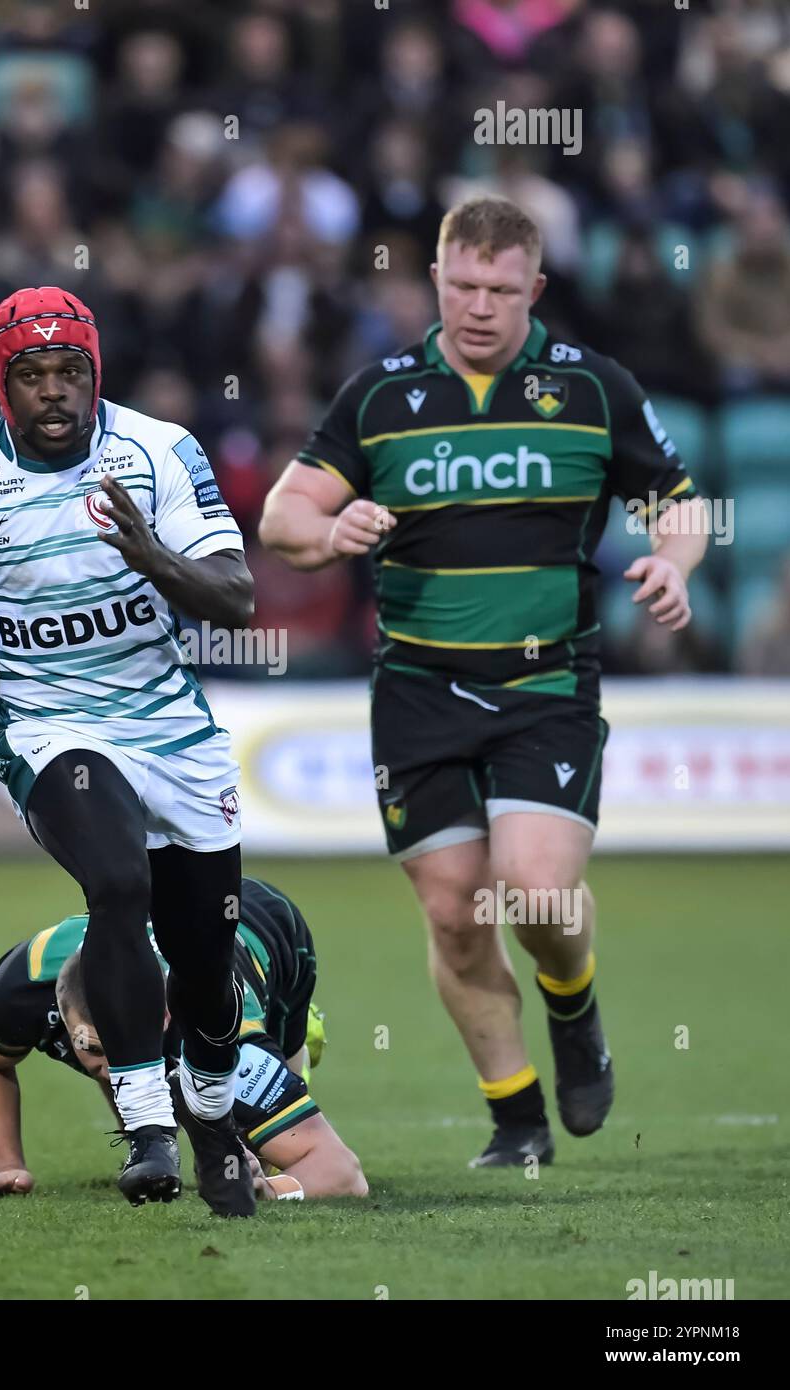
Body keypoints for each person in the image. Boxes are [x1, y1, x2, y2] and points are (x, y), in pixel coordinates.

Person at [258, 197, 708, 1167]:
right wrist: (327, 533)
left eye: (499, 290)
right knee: (455, 911)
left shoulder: (591, 388)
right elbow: (281, 516)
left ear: (533, 290)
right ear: (435, 281)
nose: (476, 306)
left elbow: (678, 505)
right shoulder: (379, 396)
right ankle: (515, 1120)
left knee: (536, 893)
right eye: (461, 285)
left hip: (544, 684)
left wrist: (672, 562)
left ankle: (572, 1006)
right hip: (417, 689)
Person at [0, 286, 258, 1213]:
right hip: (49, 730)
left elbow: (234, 598)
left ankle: (212, 1108)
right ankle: (150, 1130)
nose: (56, 392)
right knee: (115, 885)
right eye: (33, 376)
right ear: (2, 383)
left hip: (174, 736)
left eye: (72, 372)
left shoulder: (158, 453)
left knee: (205, 970)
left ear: (95, 373)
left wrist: (156, 560)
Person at [0, 877, 367, 1205]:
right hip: (177, 919)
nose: (116, 1069)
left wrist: (270, 1190)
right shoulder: (26, 985)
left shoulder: (219, 1031)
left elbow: (343, 1174)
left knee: (261, 1154)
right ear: (60, 1015)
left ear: (166, 1015)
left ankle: (303, 1038)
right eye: (95, 1049)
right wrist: (7, 1164)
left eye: (128, 1047)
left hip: (270, 933)